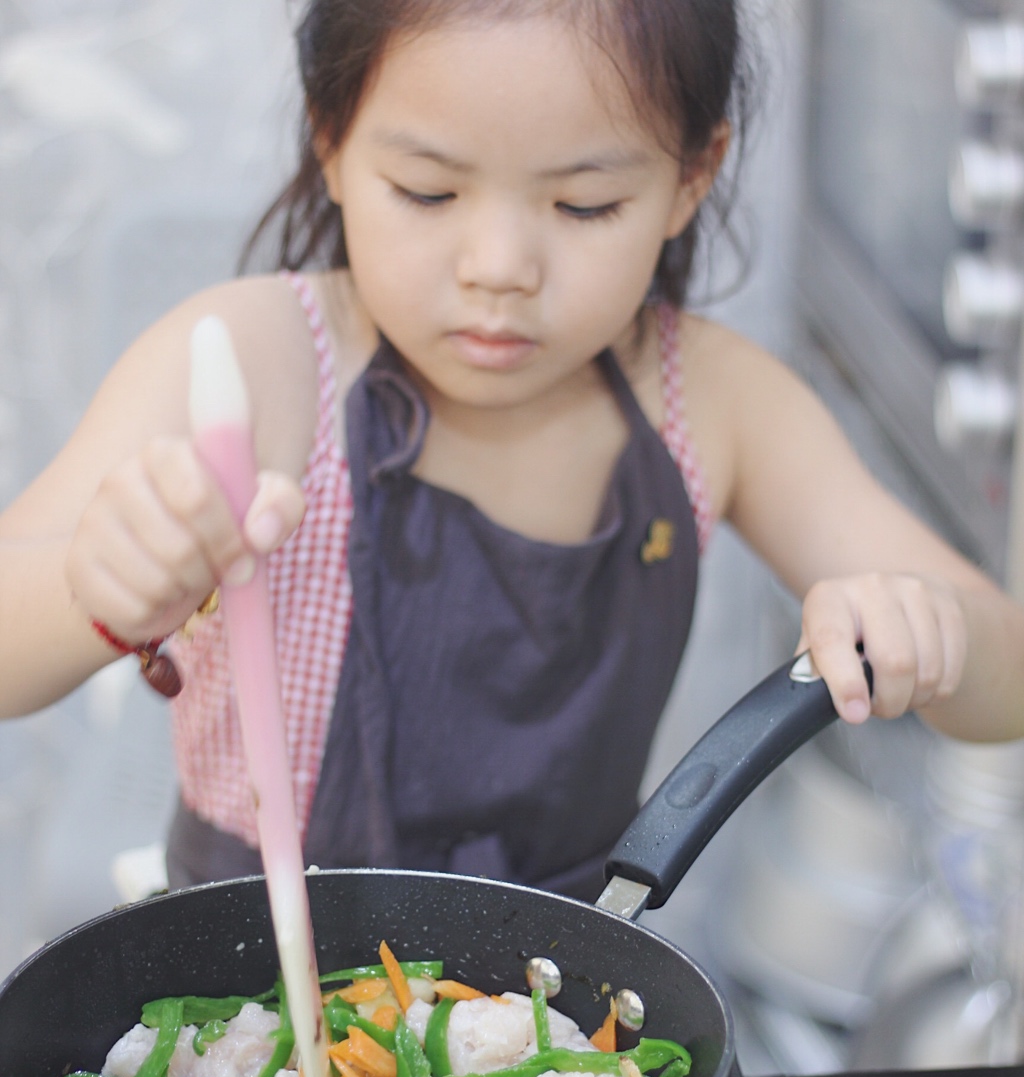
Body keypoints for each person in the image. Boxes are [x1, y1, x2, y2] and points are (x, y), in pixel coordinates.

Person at [1, 0, 1022, 900]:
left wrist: (929, 631)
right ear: (332, 141)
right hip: (251, 1001)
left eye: (584, 205)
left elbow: (1006, 685)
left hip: (556, 1018)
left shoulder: (713, 399)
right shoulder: (247, 363)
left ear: (688, 177)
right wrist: (100, 586)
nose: (499, 269)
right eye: (428, 192)